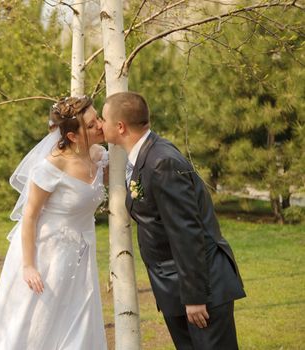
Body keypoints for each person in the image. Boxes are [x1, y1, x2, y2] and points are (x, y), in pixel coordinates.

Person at [99, 91, 246, 349]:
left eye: (103, 119)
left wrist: (194, 297)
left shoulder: (161, 161)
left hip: (202, 289)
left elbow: (186, 231)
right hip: (175, 287)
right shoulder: (147, 154)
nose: (101, 125)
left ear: (120, 127)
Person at [0, 96, 108, 350]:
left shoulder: (100, 156)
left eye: (99, 119)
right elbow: (29, 215)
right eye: (92, 124)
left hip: (82, 254)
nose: (101, 125)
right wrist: (28, 266)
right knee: (38, 322)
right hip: (46, 254)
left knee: (78, 318)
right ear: (73, 136)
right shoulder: (52, 166)